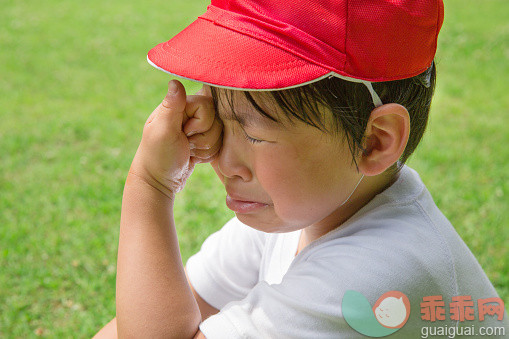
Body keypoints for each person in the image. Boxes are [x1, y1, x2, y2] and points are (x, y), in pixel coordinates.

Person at [94, 0, 508, 338]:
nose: (222, 159)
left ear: (375, 140)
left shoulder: (374, 278)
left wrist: (150, 185)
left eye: (255, 134)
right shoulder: (300, 212)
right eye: (217, 117)